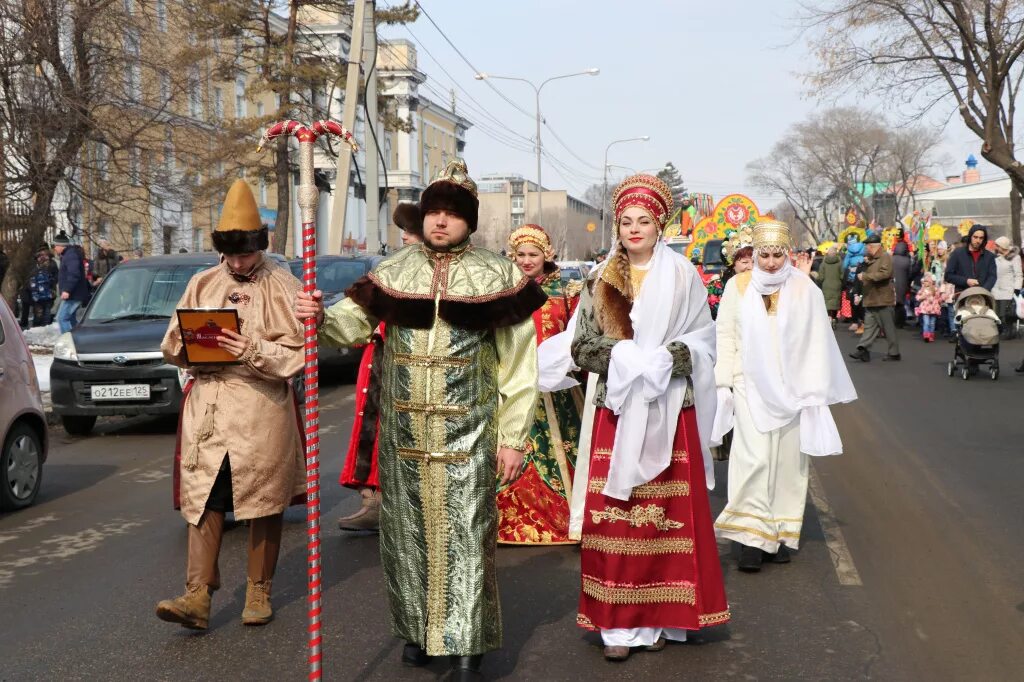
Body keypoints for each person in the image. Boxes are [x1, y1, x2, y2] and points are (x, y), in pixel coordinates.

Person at [295, 160, 544, 678]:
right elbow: (351, 325)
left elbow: (520, 368)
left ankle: (467, 644)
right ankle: (419, 631)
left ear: (469, 223)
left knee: (466, 535)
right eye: (433, 212)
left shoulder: (500, 276)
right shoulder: (393, 271)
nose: (440, 222)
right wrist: (319, 315)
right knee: (408, 536)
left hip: (470, 433)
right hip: (405, 435)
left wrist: (514, 437)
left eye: (452, 215)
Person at [569, 174, 728, 661]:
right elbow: (580, 346)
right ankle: (618, 628)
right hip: (617, 413)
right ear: (616, 227)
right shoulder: (599, 279)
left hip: (670, 409)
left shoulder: (684, 277)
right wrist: (624, 358)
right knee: (616, 520)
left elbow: (706, 340)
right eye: (626, 222)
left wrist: (669, 357)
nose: (634, 229)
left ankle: (661, 618)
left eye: (643, 221)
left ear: (660, 226)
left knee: (664, 522)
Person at [156, 179, 305, 630]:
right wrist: (187, 343)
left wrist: (248, 349)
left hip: (261, 409)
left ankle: (259, 590)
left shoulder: (283, 285)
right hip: (210, 408)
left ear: (260, 247)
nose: (237, 263)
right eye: (231, 255)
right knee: (206, 498)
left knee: (263, 498)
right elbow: (171, 342)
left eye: (246, 254)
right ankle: (197, 596)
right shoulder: (202, 282)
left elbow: (297, 355)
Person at [713, 219, 856, 572]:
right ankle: (750, 537)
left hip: (793, 389)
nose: (773, 262)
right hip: (749, 384)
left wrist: (814, 388)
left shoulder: (802, 287)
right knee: (754, 458)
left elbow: (817, 340)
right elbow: (726, 334)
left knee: (789, 464)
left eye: (779, 254)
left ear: (787, 253)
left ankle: (776, 533)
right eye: (766, 254)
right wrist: (724, 382)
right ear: (756, 253)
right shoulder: (738, 285)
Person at [336, 202, 423, 532]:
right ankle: (373, 499)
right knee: (372, 428)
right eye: (405, 233)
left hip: (413, 368)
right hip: (380, 361)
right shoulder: (390, 272)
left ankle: (401, 506)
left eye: (412, 233)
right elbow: (354, 316)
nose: (405, 238)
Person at [497, 224, 582, 545]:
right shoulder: (504, 288)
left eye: (534, 255)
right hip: (513, 386)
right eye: (521, 255)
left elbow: (578, 333)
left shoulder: (567, 289)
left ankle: (568, 518)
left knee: (560, 453)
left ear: (547, 256)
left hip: (556, 389)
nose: (527, 261)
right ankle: (505, 520)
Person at [848, 233, 900, 362]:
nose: (866, 249)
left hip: (882, 298)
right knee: (869, 327)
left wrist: (865, 276)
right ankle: (863, 350)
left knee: (888, 328)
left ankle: (894, 353)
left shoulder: (885, 257)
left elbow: (885, 274)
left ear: (872, 246)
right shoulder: (871, 258)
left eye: (867, 246)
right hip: (871, 298)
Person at [52, 231, 91, 333]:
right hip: (74, 293)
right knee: (71, 319)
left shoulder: (70, 255)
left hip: (73, 294)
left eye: (55, 245)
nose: (54, 248)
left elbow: (74, 274)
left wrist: (67, 290)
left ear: (62, 246)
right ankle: (80, 337)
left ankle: (69, 341)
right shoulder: (69, 254)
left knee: (62, 318)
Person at [945, 224, 996, 295]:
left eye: (981, 238)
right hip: (962, 296)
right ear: (970, 237)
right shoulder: (957, 253)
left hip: (983, 297)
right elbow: (948, 276)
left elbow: (992, 277)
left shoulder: (989, 256)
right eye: (975, 237)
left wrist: (983, 290)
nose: (978, 240)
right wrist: (966, 281)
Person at [990, 236, 1021, 338]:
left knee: (1006, 313)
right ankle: (1001, 330)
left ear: (1003, 246)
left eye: (998, 245)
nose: (996, 247)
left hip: (1008, 289)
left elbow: (1018, 274)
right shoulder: (995, 257)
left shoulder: (1015, 257)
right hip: (995, 289)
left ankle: (1008, 332)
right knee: (997, 313)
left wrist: (1017, 288)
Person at [27, 247, 56, 327]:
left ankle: (45, 328)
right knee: (38, 316)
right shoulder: (34, 270)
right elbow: (32, 284)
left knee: (47, 315)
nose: (46, 261)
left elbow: (53, 281)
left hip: (48, 296)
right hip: (38, 298)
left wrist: (52, 292)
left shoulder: (50, 268)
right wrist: (35, 295)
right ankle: (37, 329)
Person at [842, 240, 866, 332]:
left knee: (853, 300)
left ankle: (855, 322)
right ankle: (864, 321)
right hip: (862, 277)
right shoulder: (863, 249)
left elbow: (844, 265)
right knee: (863, 298)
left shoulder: (849, 252)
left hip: (852, 279)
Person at [816, 246, 844, 323]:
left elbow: (821, 277)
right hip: (837, 286)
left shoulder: (823, 264)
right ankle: (834, 318)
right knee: (835, 303)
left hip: (826, 286)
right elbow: (842, 275)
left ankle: (829, 318)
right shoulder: (840, 263)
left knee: (827, 303)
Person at [915, 273, 944, 342]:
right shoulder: (922, 290)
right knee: (926, 322)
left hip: (933, 309)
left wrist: (942, 299)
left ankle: (931, 334)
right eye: (924, 281)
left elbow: (939, 298)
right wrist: (922, 297)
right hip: (925, 309)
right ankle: (926, 335)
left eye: (927, 281)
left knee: (932, 323)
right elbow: (917, 297)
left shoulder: (935, 289)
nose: (925, 283)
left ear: (931, 282)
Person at [891, 241, 913, 327]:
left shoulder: (891, 259)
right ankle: (900, 322)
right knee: (901, 303)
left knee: (892, 303)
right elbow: (910, 273)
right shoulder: (907, 260)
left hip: (892, 282)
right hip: (903, 283)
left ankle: (892, 321)